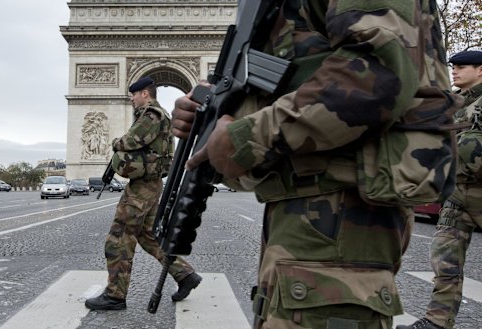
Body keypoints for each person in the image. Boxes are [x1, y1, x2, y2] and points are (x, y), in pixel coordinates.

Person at [171, 1, 461, 329]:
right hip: (304, 214)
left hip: (339, 216)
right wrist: (216, 114)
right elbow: (294, 85)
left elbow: (379, 71)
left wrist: (243, 137)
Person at [85, 77, 202, 311]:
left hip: (142, 186)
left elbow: (131, 141)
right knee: (149, 236)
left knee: (118, 238)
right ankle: (185, 274)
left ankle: (115, 295)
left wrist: (116, 142)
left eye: (134, 94)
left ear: (145, 94)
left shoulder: (150, 115)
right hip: (150, 183)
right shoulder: (158, 115)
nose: (131, 98)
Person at [397, 51, 482, 329]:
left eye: (462, 67)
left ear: (480, 70)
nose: (455, 71)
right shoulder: (454, 104)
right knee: (444, 262)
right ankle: (437, 322)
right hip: (456, 196)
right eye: (453, 67)